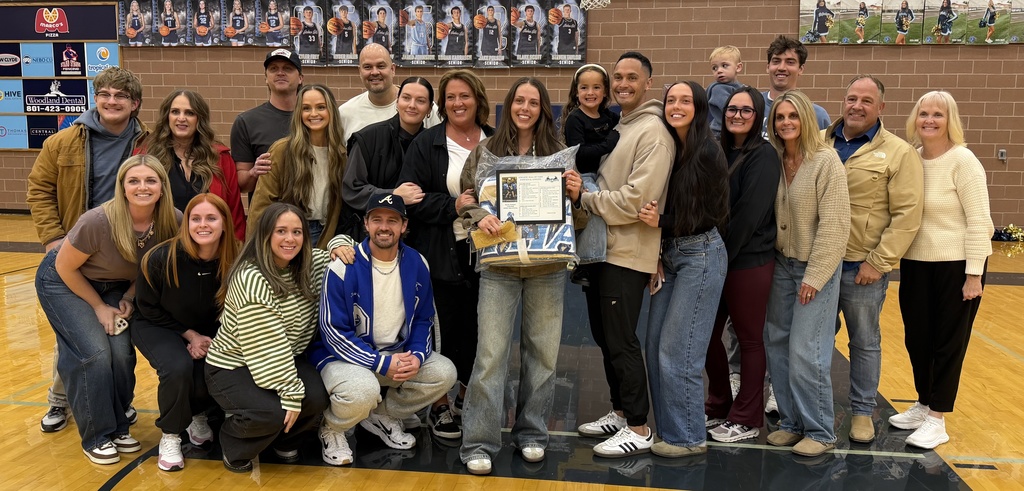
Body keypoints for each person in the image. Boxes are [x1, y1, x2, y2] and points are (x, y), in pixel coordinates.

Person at [457, 78, 584, 475]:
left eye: (533, 101)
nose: (524, 107)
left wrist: (577, 195)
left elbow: (577, 220)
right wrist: (479, 213)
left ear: (543, 108)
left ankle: (532, 434)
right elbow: (465, 201)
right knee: (491, 356)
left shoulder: (560, 157)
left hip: (547, 269)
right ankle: (479, 441)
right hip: (499, 268)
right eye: (518, 100)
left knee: (542, 356)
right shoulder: (486, 152)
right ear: (509, 105)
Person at [34, 155, 181, 464]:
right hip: (64, 282)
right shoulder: (97, 220)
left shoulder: (173, 220)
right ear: (122, 187)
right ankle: (97, 435)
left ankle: (118, 426)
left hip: (114, 285)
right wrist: (99, 307)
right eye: (134, 181)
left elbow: (152, 268)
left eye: (150, 180)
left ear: (162, 186)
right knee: (94, 354)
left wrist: (128, 294)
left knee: (121, 352)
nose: (143, 187)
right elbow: (64, 267)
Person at [27, 66, 149, 435]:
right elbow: (39, 191)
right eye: (105, 95)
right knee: (77, 339)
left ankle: (115, 406)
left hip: (122, 261)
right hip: (77, 256)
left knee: (114, 343)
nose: (112, 102)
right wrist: (52, 239)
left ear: (134, 104)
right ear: (95, 99)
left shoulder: (148, 144)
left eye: (121, 96)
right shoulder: (62, 143)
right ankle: (60, 402)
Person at [574, 52, 674, 458]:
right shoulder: (621, 124)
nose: (622, 84)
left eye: (632, 77)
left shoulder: (653, 131)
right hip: (602, 250)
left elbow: (637, 200)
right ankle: (619, 411)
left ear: (648, 83)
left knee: (621, 340)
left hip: (627, 253)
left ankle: (638, 426)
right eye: (617, 77)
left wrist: (585, 197)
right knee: (604, 336)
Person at [311, 193, 456, 465]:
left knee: (443, 372)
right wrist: (379, 362)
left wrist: (416, 356)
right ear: (366, 224)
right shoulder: (343, 265)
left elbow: (424, 320)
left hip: (394, 354)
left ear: (404, 226)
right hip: (343, 358)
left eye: (392, 220)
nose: (384, 226)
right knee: (362, 389)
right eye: (377, 219)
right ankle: (333, 427)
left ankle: (381, 414)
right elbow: (332, 332)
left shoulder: (417, 263)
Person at [205, 202, 352, 472]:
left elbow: (342, 250)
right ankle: (233, 443)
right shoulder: (251, 277)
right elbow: (267, 348)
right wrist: (290, 392)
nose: (290, 239)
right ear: (265, 235)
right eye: (280, 231)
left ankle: (283, 440)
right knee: (272, 412)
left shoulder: (310, 265)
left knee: (317, 397)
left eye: (297, 232)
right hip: (233, 366)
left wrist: (338, 244)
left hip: (283, 359)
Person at [889, 91, 993, 449]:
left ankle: (938, 418)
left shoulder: (963, 161)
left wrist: (974, 274)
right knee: (917, 339)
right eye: (923, 114)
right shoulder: (912, 159)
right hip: (916, 263)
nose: (929, 120)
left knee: (948, 345)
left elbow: (981, 221)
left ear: (951, 120)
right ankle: (922, 402)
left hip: (957, 266)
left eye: (938, 114)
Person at [824, 75, 923, 444]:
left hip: (860, 269)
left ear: (881, 107)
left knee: (864, 342)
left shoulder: (899, 153)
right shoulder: (819, 142)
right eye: (852, 98)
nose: (857, 106)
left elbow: (906, 216)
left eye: (867, 100)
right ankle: (812, 406)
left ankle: (863, 411)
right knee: (812, 339)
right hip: (816, 266)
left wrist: (878, 263)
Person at [399, 69, 496, 438]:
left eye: (465, 96)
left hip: (490, 251)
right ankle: (439, 405)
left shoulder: (494, 140)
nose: (458, 103)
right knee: (445, 329)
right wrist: (454, 205)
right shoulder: (427, 144)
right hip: (442, 250)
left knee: (482, 330)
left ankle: (467, 399)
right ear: (442, 103)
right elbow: (414, 201)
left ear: (478, 99)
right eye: (451, 97)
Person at [636, 81, 729, 458]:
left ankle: (687, 438)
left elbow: (708, 216)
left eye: (685, 100)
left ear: (700, 106)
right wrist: (658, 248)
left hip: (700, 255)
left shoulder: (707, 151)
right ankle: (670, 429)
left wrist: (660, 221)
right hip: (672, 255)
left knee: (680, 351)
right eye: (671, 100)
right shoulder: (671, 146)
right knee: (655, 345)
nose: (676, 106)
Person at [764, 90, 850, 458]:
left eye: (793, 116)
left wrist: (815, 276)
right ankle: (791, 423)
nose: (786, 123)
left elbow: (835, 224)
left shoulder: (825, 160)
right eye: (780, 117)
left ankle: (820, 429)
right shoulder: (775, 158)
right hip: (781, 265)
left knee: (807, 350)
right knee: (777, 344)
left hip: (816, 268)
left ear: (807, 119)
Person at [133, 193, 240, 471]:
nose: (202, 225)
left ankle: (198, 414)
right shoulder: (160, 258)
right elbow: (147, 308)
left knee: (214, 364)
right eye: (196, 218)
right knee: (177, 367)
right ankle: (170, 435)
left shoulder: (237, 259)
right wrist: (189, 335)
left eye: (211, 218)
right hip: (157, 324)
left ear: (225, 223)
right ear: (187, 223)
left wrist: (211, 339)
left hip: (209, 330)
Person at [704, 87, 779, 444]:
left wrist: (720, 258)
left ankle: (747, 417)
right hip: (716, 257)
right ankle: (719, 403)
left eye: (746, 110)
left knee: (749, 340)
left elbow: (749, 216)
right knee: (703, 335)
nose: (737, 115)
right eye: (732, 109)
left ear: (758, 115)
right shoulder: (716, 148)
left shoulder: (764, 156)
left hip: (747, 261)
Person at [249, 84, 347, 248]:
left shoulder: (341, 155)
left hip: (327, 234)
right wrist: (254, 250)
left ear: (331, 111)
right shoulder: (282, 150)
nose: (314, 114)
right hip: (289, 233)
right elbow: (261, 204)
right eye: (306, 108)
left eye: (321, 107)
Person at [141, 90, 246, 239]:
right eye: (175, 112)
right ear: (167, 117)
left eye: (190, 113)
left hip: (210, 250)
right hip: (161, 248)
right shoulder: (146, 157)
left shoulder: (220, 158)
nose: (182, 118)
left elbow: (234, 212)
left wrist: (236, 252)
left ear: (199, 119)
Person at [339, 77, 432, 240]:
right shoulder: (367, 139)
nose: (412, 105)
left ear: (430, 109)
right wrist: (393, 194)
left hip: (419, 239)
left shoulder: (433, 145)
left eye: (421, 100)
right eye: (406, 98)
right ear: (397, 102)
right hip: (370, 237)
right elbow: (351, 189)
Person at [560, 63, 618, 285]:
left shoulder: (610, 118)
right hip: (583, 174)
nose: (590, 93)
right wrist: (608, 143)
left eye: (596, 87)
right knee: (593, 198)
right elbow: (581, 154)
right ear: (576, 92)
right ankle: (585, 263)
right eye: (584, 88)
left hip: (605, 172)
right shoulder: (576, 118)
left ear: (604, 91)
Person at [231, 49, 303, 194]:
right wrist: (253, 173)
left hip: (311, 213)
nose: (280, 73)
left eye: (287, 68)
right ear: (265, 78)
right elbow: (241, 184)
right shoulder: (246, 122)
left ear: (300, 78)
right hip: (267, 213)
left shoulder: (314, 118)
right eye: (273, 69)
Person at [337, 43, 440, 143]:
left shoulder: (422, 108)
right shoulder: (345, 113)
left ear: (392, 69)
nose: (375, 72)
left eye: (381, 66)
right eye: (367, 67)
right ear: (360, 71)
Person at [761, 36, 830, 141]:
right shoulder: (750, 106)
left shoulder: (817, 115)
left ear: (801, 69)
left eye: (790, 62)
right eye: (776, 61)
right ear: (768, 67)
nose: (781, 68)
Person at [707, 45, 744, 140]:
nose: (719, 71)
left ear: (738, 67)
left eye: (724, 66)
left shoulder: (741, 87)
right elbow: (730, 110)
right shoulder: (718, 89)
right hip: (719, 133)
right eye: (714, 68)